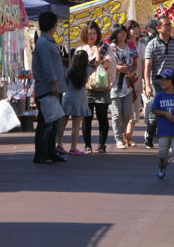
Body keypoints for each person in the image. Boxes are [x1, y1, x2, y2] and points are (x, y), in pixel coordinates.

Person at [143, 16, 174, 148]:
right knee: (155, 113)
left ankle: (171, 139)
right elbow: (147, 67)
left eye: (170, 24)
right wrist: (147, 85)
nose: (169, 27)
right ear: (158, 28)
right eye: (166, 25)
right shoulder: (152, 44)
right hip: (158, 84)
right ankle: (150, 134)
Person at [31, 11, 68, 164]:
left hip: (53, 88)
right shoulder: (44, 44)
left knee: (53, 122)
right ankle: (41, 154)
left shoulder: (46, 41)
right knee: (46, 123)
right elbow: (48, 67)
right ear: (53, 25)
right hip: (48, 89)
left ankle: (51, 152)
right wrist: (54, 83)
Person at [78, 21, 113, 154]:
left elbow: (109, 64)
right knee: (87, 117)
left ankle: (102, 144)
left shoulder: (105, 47)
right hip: (87, 87)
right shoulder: (81, 49)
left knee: (102, 116)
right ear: (84, 34)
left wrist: (98, 53)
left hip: (103, 86)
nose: (91, 36)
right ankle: (87, 145)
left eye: (94, 33)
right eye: (88, 33)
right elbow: (79, 67)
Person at [151, 68, 174, 182]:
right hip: (163, 130)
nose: (162, 82)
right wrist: (165, 113)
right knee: (162, 153)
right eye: (161, 80)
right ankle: (162, 166)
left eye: (166, 80)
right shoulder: (159, 96)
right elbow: (154, 109)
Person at [108, 24, 138, 149]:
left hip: (127, 84)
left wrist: (132, 72)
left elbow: (135, 63)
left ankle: (122, 133)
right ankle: (118, 138)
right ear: (115, 34)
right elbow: (105, 64)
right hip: (114, 85)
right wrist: (116, 68)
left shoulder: (130, 46)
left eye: (124, 32)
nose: (123, 34)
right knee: (116, 114)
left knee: (127, 113)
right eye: (120, 32)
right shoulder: (111, 47)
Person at [57, 49, 91, 156]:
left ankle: (59, 145)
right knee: (76, 126)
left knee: (62, 124)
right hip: (80, 98)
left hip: (67, 97)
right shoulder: (88, 69)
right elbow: (99, 62)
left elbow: (64, 83)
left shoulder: (69, 70)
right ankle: (73, 148)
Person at [124, 19, 145, 146]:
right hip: (124, 83)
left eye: (137, 27)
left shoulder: (142, 46)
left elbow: (144, 64)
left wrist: (145, 81)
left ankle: (128, 137)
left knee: (135, 112)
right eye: (133, 28)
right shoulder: (123, 45)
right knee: (125, 111)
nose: (136, 30)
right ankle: (123, 136)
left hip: (137, 82)